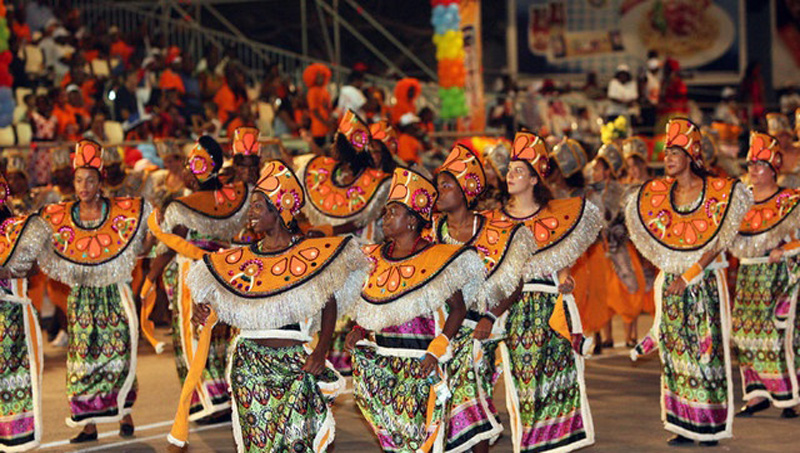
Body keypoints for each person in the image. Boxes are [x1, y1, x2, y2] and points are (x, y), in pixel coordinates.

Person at [166, 160, 368, 452]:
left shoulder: (309, 254)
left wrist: (322, 350)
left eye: (259, 207)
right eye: (251, 206)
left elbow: (329, 303)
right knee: (257, 444)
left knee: (301, 441)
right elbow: (225, 302)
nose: (250, 213)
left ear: (280, 211)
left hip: (294, 362)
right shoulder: (242, 259)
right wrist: (207, 312)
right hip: (249, 366)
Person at [627, 118, 752, 446]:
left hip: (701, 284)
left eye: (674, 152)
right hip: (671, 283)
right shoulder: (659, 194)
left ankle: (708, 425)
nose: (667, 158)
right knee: (675, 352)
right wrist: (669, 272)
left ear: (691, 156)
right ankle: (682, 424)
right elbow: (659, 238)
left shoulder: (716, 191)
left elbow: (715, 242)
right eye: (666, 152)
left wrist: (689, 275)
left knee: (705, 352)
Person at [346, 167, 485, 452]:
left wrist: (438, 346)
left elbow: (458, 309)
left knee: (423, 442)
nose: (385, 218)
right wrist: (359, 328)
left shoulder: (437, 258)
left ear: (412, 220)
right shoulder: (374, 258)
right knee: (395, 443)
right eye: (385, 212)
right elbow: (371, 302)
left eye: (392, 212)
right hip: (384, 364)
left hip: (423, 362)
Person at [487, 131, 599, 453]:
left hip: (552, 308)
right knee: (522, 385)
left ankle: (555, 446)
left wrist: (566, 279)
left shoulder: (556, 216)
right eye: (509, 169)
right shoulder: (496, 221)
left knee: (556, 383)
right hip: (514, 310)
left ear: (535, 179)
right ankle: (530, 446)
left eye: (519, 170)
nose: (511, 175)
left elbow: (562, 258)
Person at [37, 139, 153, 443]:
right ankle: (88, 424)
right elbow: (41, 242)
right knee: (82, 360)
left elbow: (143, 239)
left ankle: (124, 415)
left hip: (115, 294)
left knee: (118, 357)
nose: (83, 186)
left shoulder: (122, 213)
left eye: (90, 180)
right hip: (83, 298)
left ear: (100, 182)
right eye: (78, 180)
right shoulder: (60, 216)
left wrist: (151, 243)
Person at [430, 144, 534, 453]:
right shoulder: (431, 231)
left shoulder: (495, 230)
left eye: (446, 186)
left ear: (463, 192)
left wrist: (490, 316)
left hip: (479, 326)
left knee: (470, 393)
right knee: (445, 400)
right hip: (440, 327)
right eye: (438, 186)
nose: (438, 192)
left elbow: (515, 283)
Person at [146, 136, 250, 423]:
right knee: (217, 333)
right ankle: (222, 395)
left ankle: (205, 400)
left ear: (199, 169)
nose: (184, 173)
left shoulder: (184, 206)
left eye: (189, 167)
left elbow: (169, 246)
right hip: (222, 273)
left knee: (191, 333)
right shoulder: (233, 199)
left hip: (191, 276)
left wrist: (151, 277)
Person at [730, 132, 800, 418]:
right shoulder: (739, 202)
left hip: (776, 278)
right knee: (744, 335)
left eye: (759, 165)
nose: (753, 171)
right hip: (747, 275)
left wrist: (786, 250)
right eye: (750, 165)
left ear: (773, 169)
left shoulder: (790, 201)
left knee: (778, 336)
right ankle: (757, 394)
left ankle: (790, 397)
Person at [0, 173, 50, 452]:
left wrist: (10, 269)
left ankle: (13, 439)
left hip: (10, 314)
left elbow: (33, 266)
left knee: (11, 380)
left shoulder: (17, 228)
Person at [295, 110, 392, 236]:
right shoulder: (321, 168)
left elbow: (362, 220)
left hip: (360, 245)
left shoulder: (380, 182)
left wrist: (330, 231)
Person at [303, 63, 332, 147]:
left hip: (327, 126)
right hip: (318, 128)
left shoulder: (324, 90)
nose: (321, 78)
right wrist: (326, 122)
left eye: (323, 76)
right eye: (318, 76)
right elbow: (314, 110)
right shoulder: (312, 91)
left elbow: (328, 107)